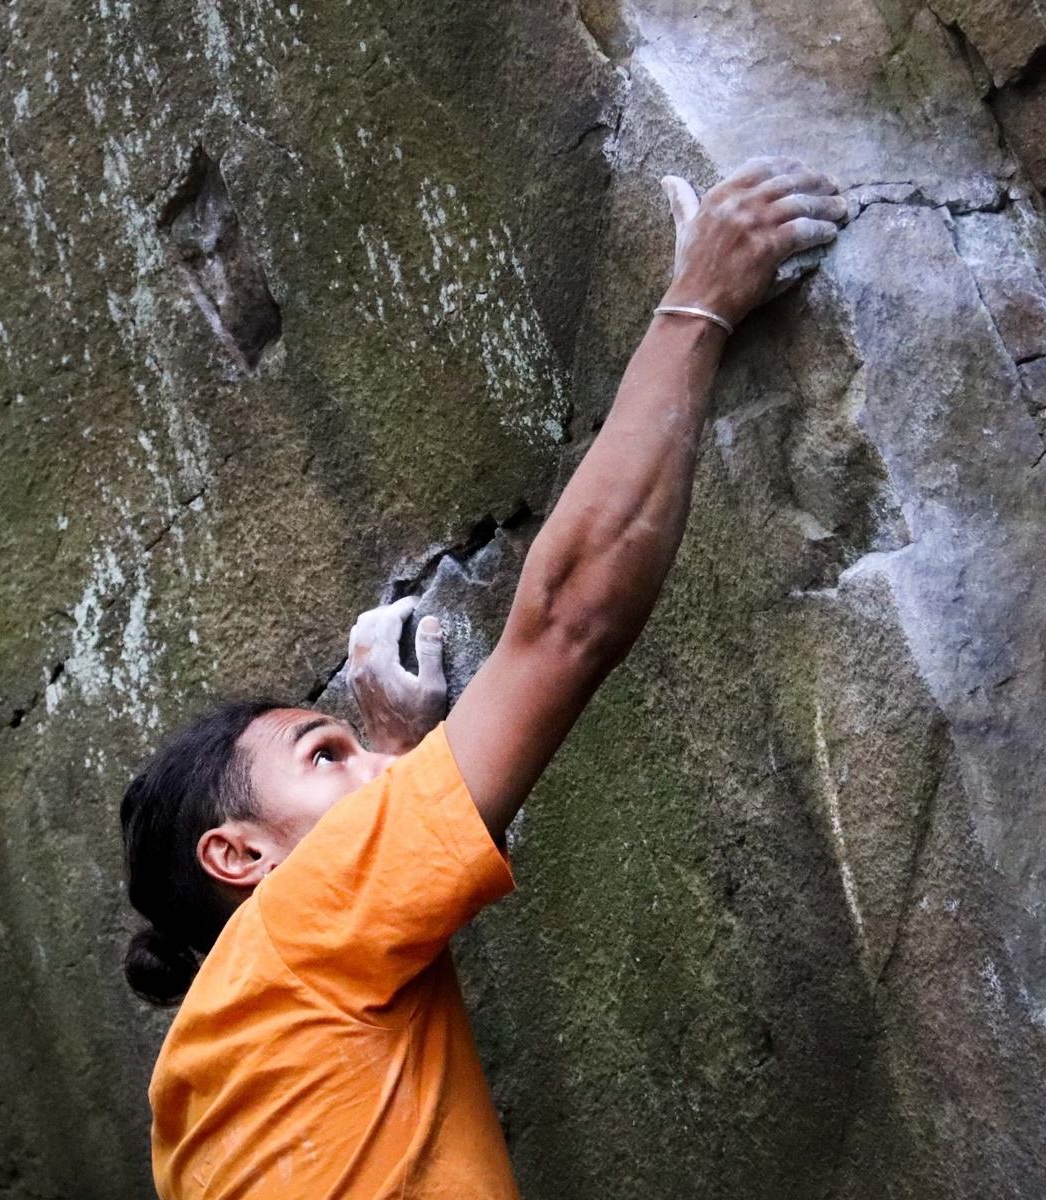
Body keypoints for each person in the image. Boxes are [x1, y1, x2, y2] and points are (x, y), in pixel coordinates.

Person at [119, 156, 848, 1199]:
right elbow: (564, 623)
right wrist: (699, 303)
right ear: (239, 855)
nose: (371, 764)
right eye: (325, 754)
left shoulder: (225, 1080)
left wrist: (393, 752)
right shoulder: (292, 941)